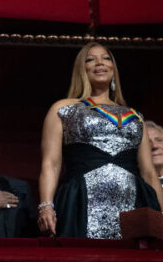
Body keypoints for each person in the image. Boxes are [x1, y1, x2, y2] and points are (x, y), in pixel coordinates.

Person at [38, 42, 163, 239]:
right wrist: (46, 206)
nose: (99, 63)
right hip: (80, 201)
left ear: (113, 68)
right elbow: (51, 164)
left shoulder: (136, 116)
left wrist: (160, 216)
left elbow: (148, 173)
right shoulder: (63, 108)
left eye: (106, 58)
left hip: (133, 203)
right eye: (90, 59)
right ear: (82, 69)